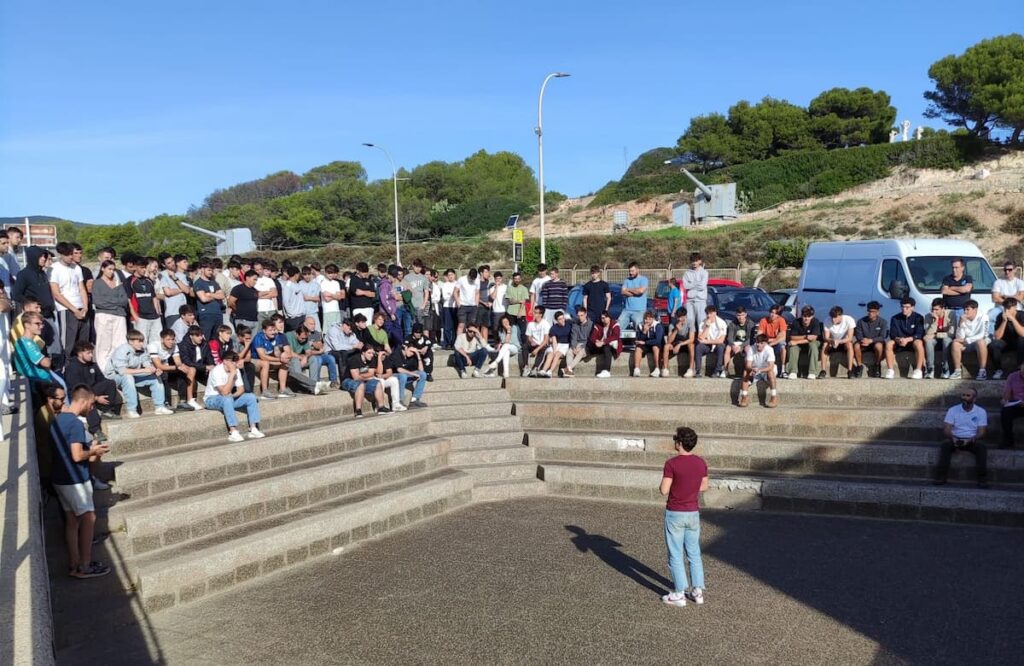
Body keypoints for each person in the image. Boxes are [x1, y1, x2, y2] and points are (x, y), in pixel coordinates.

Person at [51, 385, 112, 579]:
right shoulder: (76, 424)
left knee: (71, 521)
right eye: (92, 404)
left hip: (59, 479)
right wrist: (94, 451)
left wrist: (90, 449)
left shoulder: (58, 419)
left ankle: (74, 563)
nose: (92, 408)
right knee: (88, 518)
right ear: (84, 401)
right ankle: (85, 566)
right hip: (75, 480)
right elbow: (77, 456)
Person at [659, 426, 708, 608]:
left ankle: (679, 593)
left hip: (675, 513)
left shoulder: (672, 464)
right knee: (694, 552)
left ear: (679, 443)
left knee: (675, 553)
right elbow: (703, 486)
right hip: (693, 512)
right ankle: (697, 591)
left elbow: (664, 489)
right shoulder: (701, 463)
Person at [64, 342, 122, 445]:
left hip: (91, 389)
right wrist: (95, 398)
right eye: (88, 353)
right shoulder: (72, 367)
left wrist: (97, 395)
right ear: (80, 353)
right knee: (87, 401)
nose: (91, 355)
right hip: (79, 394)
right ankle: (96, 430)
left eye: (92, 352)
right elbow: (77, 388)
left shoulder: (93, 365)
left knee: (109, 383)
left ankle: (106, 411)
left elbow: (101, 380)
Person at [104, 329, 171, 417]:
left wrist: (154, 369)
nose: (141, 344)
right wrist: (144, 370)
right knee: (128, 377)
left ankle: (160, 407)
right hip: (114, 377)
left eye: (142, 341)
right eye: (139, 341)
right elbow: (122, 371)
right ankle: (131, 410)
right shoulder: (122, 350)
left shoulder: (142, 349)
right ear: (130, 341)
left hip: (133, 375)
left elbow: (146, 363)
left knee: (155, 377)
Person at [204, 351, 265, 442]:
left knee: (251, 397)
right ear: (225, 361)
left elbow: (241, 389)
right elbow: (224, 392)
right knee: (227, 399)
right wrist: (232, 375)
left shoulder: (235, 370)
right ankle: (233, 431)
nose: (235, 364)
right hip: (211, 399)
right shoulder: (216, 371)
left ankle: (253, 428)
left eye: (235, 361)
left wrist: (233, 396)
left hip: (227, 398)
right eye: (232, 361)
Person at [934, 387, 988, 488]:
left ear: (974, 399)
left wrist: (973, 438)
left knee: (981, 447)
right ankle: (941, 476)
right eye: (963, 395)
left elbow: (982, 432)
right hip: (955, 438)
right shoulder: (953, 410)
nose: (965, 398)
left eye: (968, 396)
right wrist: (953, 438)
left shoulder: (981, 412)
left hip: (971, 439)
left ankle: (982, 479)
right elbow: (946, 429)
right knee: (945, 445)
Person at [50, 242, 90, 357]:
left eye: (72, 254)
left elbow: (82, 288)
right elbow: (56, 294)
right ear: (61, 254)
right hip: (65, 309)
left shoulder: (76, 268)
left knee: (83, 342)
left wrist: (85, 307)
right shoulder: (54, 268)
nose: (71, 257)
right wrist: (74, 310)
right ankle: (66, 368)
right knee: (68, 342)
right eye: (68, 255)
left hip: (81, 307)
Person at [12, 313, 67, 394]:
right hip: (39, 382)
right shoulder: (26, 343)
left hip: (41, 379)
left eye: (41, 324)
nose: (41, 326)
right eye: (37, 324)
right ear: (27, 325)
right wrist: (48, 360)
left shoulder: (28, 342)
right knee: (63, 389)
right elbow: (46, 363)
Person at [92, 260, 129, 372]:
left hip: (119, 316)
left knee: (120, 342)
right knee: (104, 344)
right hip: (103, 315)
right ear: (103, 269)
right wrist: (115, 303)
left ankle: (118, 367)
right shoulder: (97, 283)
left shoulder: (117, 283)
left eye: (113, 269)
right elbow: (98, 302)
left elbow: (124, 300)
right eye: (109, 269)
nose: (111, 272)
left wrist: (111, 302)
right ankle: (104, 369)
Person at [150, 329, 194, 411]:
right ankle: (166, 403)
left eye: (173, 339)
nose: (171, 342)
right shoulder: (153, 346)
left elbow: (178, 362)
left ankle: (182, 402)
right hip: (151, 368)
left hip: (164, 367)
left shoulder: (174, 346)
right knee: (163, 373)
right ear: (162, 339)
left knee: (182, 371)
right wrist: (177, 367)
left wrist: (182, 367)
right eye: (168, 339)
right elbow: (158, 365)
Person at [884, 297, 926, 379]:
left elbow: (920, 333)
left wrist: (908, 339)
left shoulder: (919, 317)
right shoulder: (895, 318)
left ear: (912, 307)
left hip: (912, 342)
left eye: (907, 307)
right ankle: (890, 370)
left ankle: (918, 370)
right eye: (902, 307)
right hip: (899, 342)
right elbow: (892, 334)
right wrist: (899, 339)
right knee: (889, 343)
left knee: (919, 342)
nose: (904, 309)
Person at [343, 347, 391, 417]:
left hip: (363, 380)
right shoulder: (354, 360)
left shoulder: (371, 360)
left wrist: (362, 375)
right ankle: (358, 410)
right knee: (361, 385)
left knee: (377, 383)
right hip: (348, 380)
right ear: (363, 352)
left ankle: (381, 407)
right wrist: (366, 377)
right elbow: (355, 377)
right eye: (369, 353)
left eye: (372, 353)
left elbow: (371, 374)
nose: (371, 355)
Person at [127, 257, 162, 351]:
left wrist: (157, 313)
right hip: (141, 316)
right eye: (142, 267)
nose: (144, 270)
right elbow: (128, 300)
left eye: (145, 267)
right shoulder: (130, 281)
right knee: (142, 342)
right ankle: (144, 363)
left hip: (154, 317)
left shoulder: (149, 281)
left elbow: (154, 297)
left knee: (156, 341)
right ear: (135, 267)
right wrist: (136, 317)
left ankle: (155, 362)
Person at [949, 299, 989, 380]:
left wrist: (966, 340)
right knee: (955, 344)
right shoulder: (963, 318)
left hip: (979, 341)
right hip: (967, 342)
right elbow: (960, 337)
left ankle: (982, 371)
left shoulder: (984, 317)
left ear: (975, 309)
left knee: (981, 342)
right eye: (964, 309)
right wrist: (960, 324)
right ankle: (957, 371)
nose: (965, 311)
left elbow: (982, 334)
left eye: (968, 309)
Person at [251, 319, 291, 400]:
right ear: (264, 330)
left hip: (268, 360)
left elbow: (280, 352)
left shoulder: (276, 336)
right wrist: (280, 359)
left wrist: (283, 355)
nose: (273, 332)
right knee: (265, 363)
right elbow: (263, 356)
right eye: (270, 330)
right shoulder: (258, 338)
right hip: (254, 361)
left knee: (285, 363)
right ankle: (265, 391)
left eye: (274, 330)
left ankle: (282, 390)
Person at [178, 325, 215, 408]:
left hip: (201, 369)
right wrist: (205, 367)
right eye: (197, 336)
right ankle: (188, 400)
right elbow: (187, 362)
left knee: (216, 372)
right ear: (191, 336)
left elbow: (209, 357)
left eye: (201, 335)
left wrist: (211, 365)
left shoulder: (205, 344)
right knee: (190, 371)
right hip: (189, 369)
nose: (200, 338)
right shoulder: (183, 345)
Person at [987, 297, 1024, 380]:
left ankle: (1020, 368)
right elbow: (997, 337)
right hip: (1005, 342)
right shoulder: (1000, 316)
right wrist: (1004, 321)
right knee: (993, 345)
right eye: (1005, 308)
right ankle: (998, 370)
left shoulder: (1021, 315)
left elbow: (1022, 333)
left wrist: (1013, 320)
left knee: (1022, 340)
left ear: (1015, 308)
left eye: (1008, 308)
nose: (1006, 311)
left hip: (1018, 342)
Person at [283, 325, 326, 395]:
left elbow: (308, 351)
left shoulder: (305, 337)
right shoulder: (289, 336)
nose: (303, 340)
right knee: (295, 360)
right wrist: (301, 358)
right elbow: (290, 352)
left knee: (313, 359)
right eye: (302, 338)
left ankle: (314, 387)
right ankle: (307, 386)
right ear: (297, 334)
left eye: (305, 339)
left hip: (301, 358)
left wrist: (305, 357)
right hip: (291, 360)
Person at [739, 334, 779, 408]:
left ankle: (774, 397)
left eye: (761, 343)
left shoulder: (770, 350)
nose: (758, 345)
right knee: (745, 372)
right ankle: (744, 397)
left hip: (766, 370)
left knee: (771, 372)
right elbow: (748, 364)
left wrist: (760, 370)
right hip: (755, 371)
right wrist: (751, 369)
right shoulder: (751, 349)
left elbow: (771, 366)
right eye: (757, 342)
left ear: (765, 343)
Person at [785, 306, 823, 380]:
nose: (806, 318)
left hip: (813, 343)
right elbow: (792, 337)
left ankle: (812, 372)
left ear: (812, 316)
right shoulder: (796, 322)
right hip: (800, 344)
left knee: (813, 345)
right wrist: (806, 336)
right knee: (793, 347)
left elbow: (813, 338)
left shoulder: (815, 321)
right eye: (804, 316)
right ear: (801, 316)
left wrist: (797, 341)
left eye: (809, 316)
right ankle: (793, 371)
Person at [193, 259, 226, 340]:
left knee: (218, 339)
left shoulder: (214, 282)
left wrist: (210, 294)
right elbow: (203, 299)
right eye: (208, 270)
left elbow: (222, 295)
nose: (210, 272)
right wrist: (215, 295)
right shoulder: (198, 283)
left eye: (212, 270)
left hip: (218, 314)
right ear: (202, 269)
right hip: (206, 315)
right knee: (205, 338)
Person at [303, 315, 339, 389]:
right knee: (318, 360)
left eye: (314, 324)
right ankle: (317, 382)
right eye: (311, 324)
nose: (313, 326)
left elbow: (320, 346)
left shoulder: (316, 333)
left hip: (319, 354)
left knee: (331, 358)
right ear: (305, 324)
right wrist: (314, 345)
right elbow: (307, 351)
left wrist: (313, 345)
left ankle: (334, 381)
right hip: (310, 357)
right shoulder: (303, 333)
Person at [693, 305, 728, 379]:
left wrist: (706, 341)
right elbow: (700, 338)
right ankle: (698, 371)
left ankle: (717, 371)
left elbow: (721, 340)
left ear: (715, 313)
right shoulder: (703, 323)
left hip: (716, 344)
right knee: (699, 347)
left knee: (721, 346)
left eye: (711, 313)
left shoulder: (722, 323)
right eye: (707, 314)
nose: (709, 315)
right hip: (708, 345)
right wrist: (707, 327)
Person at [159, 254, 192, 330]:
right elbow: (168, 292)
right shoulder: (162, 275)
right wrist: (181, 289)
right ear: (164, 265)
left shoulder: (181, 275)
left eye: (172, 261)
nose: (172, 263)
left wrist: (175, 278)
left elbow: (187, 290)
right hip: (172, 312)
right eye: (169, 263)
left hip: (183, 311)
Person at [923, 298, 955, 379]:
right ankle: (930, 369)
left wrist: (935, 335)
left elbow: (951, 333)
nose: (934, 312)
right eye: (933, 309)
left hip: (946, 339)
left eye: (937, 309)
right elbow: (928, 334)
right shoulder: (928, 316)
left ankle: (945, 369)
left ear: (943, 309)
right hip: (935, 340)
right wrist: (935, 321)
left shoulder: (951, 314)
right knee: (929, 342)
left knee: (946, 340)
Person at [390, 342, 428, 408]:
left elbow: (421, 370)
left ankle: (414, 400)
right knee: (403, 375)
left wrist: (417, 354)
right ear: (406, 348)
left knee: (423, 374)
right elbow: (399, 369)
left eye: (413, 352)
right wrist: (413, 374)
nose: (411, 353)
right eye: (411, 351)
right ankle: (400, 401)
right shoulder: (397, 353)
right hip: (392, 376)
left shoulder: (413, 356)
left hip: (404, 376)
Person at [722, 307, 755, 378]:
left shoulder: (750, 323)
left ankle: (747, 371)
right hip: (735, 342)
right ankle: (725, 370)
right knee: (728, 348)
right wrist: (733, 345)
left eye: (742, 315)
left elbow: (750, 339)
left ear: (745, 314)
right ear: (736, 315)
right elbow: (729, 337)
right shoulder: (732, 324)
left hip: (745, 343)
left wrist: (741, 346)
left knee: (748, 350)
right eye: (738, 315)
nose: (740, 317)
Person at [485, 314, 521, 379]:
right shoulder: (500, 331)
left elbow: (509, 342)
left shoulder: (514, 327)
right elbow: (504, 341)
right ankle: (506, 373)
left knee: (506, 345)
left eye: (507, 322)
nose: (506, 323)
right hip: (506, 348)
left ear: (509, 321)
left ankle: (496, 362)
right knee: (506, 352)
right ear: (501, 324)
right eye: (504, 322)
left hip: (515, 347)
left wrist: (509, 331)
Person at [757, 304, 788, 378]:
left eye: (775, 313)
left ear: (778, 315)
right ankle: (760, 370)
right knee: (760, 345)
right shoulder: (763, 320)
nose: (773, 315)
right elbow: (759, 335)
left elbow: (783, 336)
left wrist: (772, 342)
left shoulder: (781, 320)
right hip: (765, 341)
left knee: (783, 347)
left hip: (775, 342)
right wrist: (768, 341)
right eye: (771, 312)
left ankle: (783, 370)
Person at [588, 311, 621, 378]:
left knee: (607, 347)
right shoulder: (598, 325)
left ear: (609, 318)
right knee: (591, 345)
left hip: (613, 346)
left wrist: (603, 342)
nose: (603, 319)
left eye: (605, 317)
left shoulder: (615, 324)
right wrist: (596, 341)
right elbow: (592, 337)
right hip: (601, 346)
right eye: (602, 318)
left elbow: (615, 336)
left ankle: (606, 370)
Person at [632, 311, 665, 378]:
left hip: (657, 346)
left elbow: (658, 341)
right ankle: (636, 369)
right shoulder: (640, 325)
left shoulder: (658, 326)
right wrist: (644, 332)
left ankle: (657, 369)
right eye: (646, 319)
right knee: (638, 348)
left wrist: (645, 342)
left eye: (650, 319)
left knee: (655, 347)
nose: (647, 321)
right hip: (646, 346)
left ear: (653, 319)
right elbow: (638, 340)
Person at [1000, 359, 1024, 449]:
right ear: (1020, 367)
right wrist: (1005, 400)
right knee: (1005, 411)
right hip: (1016, 404)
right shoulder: (1012, 376)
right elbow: (1007, 395)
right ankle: (1008, 440)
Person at [540, 310, 572, 378]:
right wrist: (554, 350)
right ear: (556, 320)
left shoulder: (569, 323)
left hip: (565, 345)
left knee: (557, 355)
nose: (562, 320)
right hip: (557, 344)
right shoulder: (554, 328)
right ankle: (543, 370)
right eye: (560, 319)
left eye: (563, 318)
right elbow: (554, 340)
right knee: (550, 354)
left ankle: (550, 371)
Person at [941, 258, 973, 324]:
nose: (954, 270)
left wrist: (952, 288)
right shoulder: (947, 278)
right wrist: (961, 291)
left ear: (962, 268)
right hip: (949, 310)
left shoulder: (967, 278)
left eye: (956, 267)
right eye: (953, 267)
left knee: (961, 330)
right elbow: (944, 291)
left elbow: (966, 289)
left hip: (962, 310)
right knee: (949, 331)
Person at [618, 262, 649, 332]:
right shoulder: (627, 280)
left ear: (638, 270)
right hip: (627, 310)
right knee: (617, 327)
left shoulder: (644, 280)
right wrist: (636, 292)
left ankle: (638, 342)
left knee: (639, 328)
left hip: (639, 311)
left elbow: (640, 291)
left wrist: (628, 289)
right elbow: (622, 292)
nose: (630, 273)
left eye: (632, 271)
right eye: (629, 271)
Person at [663, 313, 695, 378]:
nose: (680, 319)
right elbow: (669, 341)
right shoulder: (672, 324)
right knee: (666, 346)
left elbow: (691, 339)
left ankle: (691, 369)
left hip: (685, 344)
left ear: (685, 316)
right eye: (678, 317)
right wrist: (676, 330)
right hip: (675, 343)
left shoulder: (690, 322)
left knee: (691, 345)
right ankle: (665, 369)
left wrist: (680, 344)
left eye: (682, 317)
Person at [229, 269, 261, 334]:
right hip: (243, 320)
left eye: (256, 280)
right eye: (254, 279)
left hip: (254, 321)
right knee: (243, 342)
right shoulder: (238, 289)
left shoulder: (254, 290)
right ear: (247, 278)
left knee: (253, 343)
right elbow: (231, 302)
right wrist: (237, 310)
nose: (255, 282)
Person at [564, 308, 594, 377]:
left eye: (582, 315)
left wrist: (581, 347)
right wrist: (574, 347)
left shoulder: (591, 324)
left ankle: (568, 369)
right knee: (569, 352)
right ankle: (569, 371)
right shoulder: (575, 324)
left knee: (581, 352)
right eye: (578, 315)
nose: (580, 317)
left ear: (586, 314)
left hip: (587, 345)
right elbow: (573, 337)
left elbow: (590, 339)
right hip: (577, 344)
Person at [682, 252, 708, 330]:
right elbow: (686, 286)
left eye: (696, 261)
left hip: (700, 300)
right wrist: (696, 283)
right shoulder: (687, 273)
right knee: (690, 321)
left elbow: (702, 286)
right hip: (690, 301)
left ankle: (701, 339)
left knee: (701, 321)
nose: (694, 263)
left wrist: (691, 284)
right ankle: (691, 339)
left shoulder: (704, 272)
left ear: (700, 261)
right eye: (692, 261)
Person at [524, 307, 551, 377]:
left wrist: (537, 349)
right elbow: (528, 336)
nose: (533, 314)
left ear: (540, 314)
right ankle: (526, 367)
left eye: (536, 313)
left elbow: (546, 340)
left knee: (543, 348)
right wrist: (531, 341)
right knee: (525, 346)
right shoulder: (530, 324)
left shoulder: (545, 324)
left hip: (542, 344)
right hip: (534, 344)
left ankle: (535, 368)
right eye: (534, 312)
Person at [505, 271, 530, 346]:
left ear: (520, 279)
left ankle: (524, 346)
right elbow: (510, 301)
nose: (517, 280)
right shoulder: (509, 288)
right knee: (510, 330)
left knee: (523, 331)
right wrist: (519, 300)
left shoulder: (524, 289)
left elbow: (524, 302)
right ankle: (511, 344)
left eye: (518, 278)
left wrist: (519, 312)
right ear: (513, 279)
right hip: (511, 312)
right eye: (515, 279)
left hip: (521, 313)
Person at [454, 267, 480, 337]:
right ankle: (458, 342)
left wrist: (476, 305)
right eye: (471, 278)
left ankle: (470, 342)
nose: (472, 280)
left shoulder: (477, 280)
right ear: (469, 275)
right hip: (463, 305)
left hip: (473, 306)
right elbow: (455, 291)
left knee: (471, 325)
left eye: (474, 279)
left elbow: (477, 293)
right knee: (461, 324)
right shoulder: (461, 279)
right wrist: (458, 302)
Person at [320, 264, 346, 331]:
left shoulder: (336, 283)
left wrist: (330, 294)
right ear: (325, 273)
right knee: (328, 330)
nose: (331, 275)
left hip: (336, 310)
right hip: (327, 311)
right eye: (329, 273)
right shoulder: (323, 283)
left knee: (337, 330)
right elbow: (327, 299)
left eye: (332, 273)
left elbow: (340, 297)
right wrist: (335, 296)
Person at [439, 269, 459, 349]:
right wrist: (453, 295)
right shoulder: (445, 285)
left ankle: (454, 343)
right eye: (449, 275)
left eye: (452, 274)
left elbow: (459, 295)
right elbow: (445, 297)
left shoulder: (458, 284)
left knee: (455, 326)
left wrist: (452, 295)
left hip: (456, 307)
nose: (451, 276)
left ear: (455, 275)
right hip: (447, 307)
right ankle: (447, 343)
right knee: (447, 327)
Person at [474, 265, 493, 340]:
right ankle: (477, 342)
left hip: (487, 308)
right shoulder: (477, 283)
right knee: (477, 326)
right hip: (479, 307)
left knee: (485, 326)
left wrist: (490, 302)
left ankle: (484, 344)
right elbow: (474, 296)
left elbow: (492, 294)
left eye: (488, 272)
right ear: (481, 273)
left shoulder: (489, 282)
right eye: (486, 272)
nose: (488, 273)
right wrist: (483, 303)